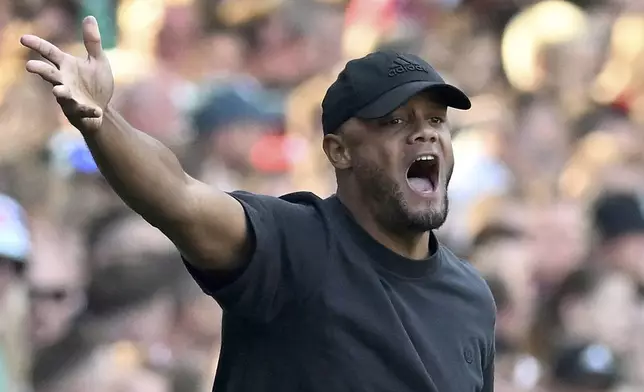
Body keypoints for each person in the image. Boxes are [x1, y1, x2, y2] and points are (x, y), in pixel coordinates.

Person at [21, 16, 496, 392]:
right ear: (339, 151)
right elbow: (180, 198)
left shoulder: (471, 298)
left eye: (437, 118)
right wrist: (103, 123)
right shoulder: (295, 243)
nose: (426, 131)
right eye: (395, 121)